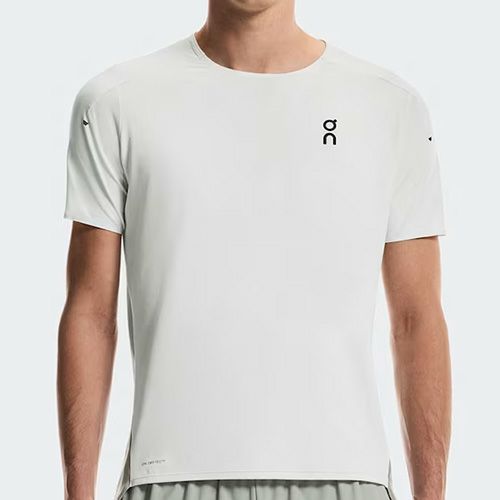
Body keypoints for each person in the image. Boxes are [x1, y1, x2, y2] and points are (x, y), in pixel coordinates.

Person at [57, 1, 452, 499]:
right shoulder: (116, 102)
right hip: (169, 474)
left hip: (347, 475)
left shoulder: (390, 106)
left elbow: (416, 319)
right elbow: (91, 312)